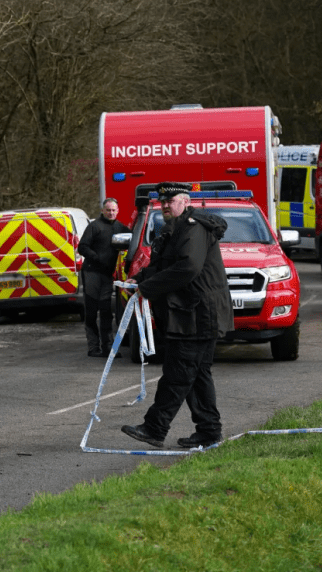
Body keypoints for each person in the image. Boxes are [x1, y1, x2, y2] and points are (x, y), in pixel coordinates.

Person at [120, 182, 234, 449]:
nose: (166, 206)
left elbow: (188, 268)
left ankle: (154, 428)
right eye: (163, 203)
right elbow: (164, 264)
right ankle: (208, 431)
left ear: (185, 201)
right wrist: (138, 279)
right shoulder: (176, 229)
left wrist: (148, 288)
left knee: (178, 373)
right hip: (190, 314)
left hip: (197, 315)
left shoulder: (193, 228)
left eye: (171, 201)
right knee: (197, 375)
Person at [78, 198, 131, 357]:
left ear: (118, 210)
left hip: (108, 275)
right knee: (92, 312)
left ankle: (108, 348)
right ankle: (94, 348)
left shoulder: (121, 228)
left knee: (107, 312)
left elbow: (134, 240)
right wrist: (97, 257)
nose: (111, 213)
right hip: (92, 273)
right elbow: (82, 247)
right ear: (102, 210)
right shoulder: (94, 226)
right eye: (108, 210)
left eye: (114, 210)